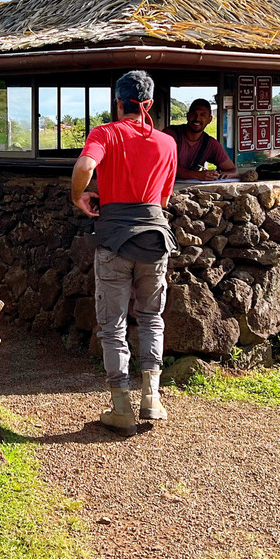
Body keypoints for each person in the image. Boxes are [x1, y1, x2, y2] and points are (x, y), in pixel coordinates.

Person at [70, 70, 178, 436]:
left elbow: (85, 166)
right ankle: (152, 398)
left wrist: (78, 196)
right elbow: (163, 199)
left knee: (113, 326)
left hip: (114, 240)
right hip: (155, 239)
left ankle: (121, 408)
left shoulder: (105, 133)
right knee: (151, 318)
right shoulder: (167, 143)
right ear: (150, 104)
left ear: (118, 102)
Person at [163, 98, 238, 181]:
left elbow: (233, 171)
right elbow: (165, 167)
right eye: (194, 114)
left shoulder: (210, 143)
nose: (197, 118)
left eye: (202, 115)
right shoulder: (170, 135)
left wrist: (219, 175)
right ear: (187, 116)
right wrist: (197, 175)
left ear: (209, 119)